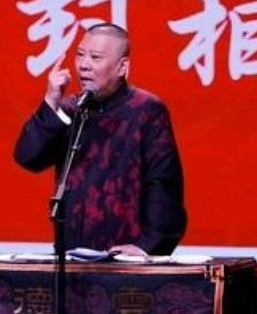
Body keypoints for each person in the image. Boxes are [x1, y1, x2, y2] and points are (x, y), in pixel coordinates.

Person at [14, 23, 187, 256]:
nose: (84, 65)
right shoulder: (72, 109)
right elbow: (28, 157)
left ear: (122, 67)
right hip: (73, 256)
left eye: (95, 57)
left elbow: (163, 186)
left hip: (127, 257)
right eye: (80, 55)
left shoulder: (146, 110)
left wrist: (148, 247)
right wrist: (50, 102)